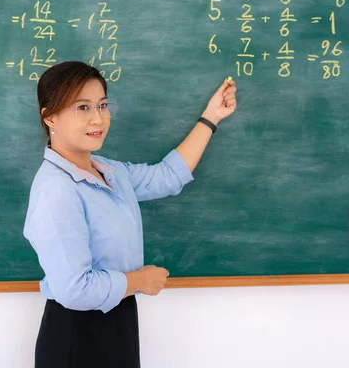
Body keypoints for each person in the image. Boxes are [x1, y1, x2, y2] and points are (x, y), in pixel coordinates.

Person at [23, 61, 237, 368]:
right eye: (82, 107)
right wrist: (138, 281)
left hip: (119, 322)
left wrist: (211, 117)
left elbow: (167, 176)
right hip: (78, 334)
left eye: (102, 105)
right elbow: (74, 289)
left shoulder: (109, 171)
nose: (98, 118)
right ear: (50, 117)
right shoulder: (57, 189)